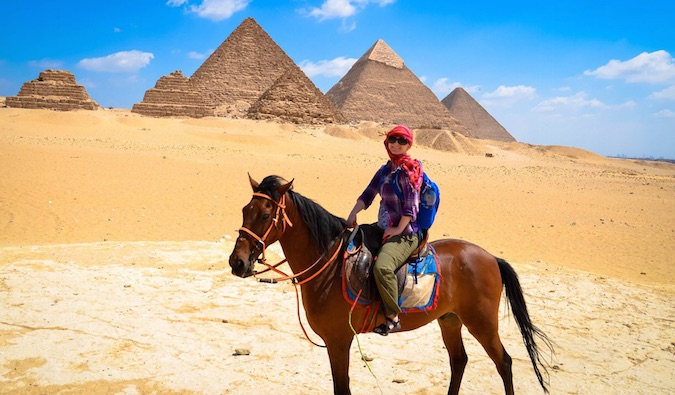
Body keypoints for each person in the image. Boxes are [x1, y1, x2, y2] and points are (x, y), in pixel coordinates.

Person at [347, 125, 423, 336]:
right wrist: (353, 214)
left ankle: (392, 316)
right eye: (393, 140)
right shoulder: (384, 170)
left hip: (406, 232)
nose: (396, 144)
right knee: (349, 243)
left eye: (402, 141)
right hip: (383, 226)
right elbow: (368, 194)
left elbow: (412, 204)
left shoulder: (410, 170)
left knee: (382, 268)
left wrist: (398, 228)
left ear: (409, 144)